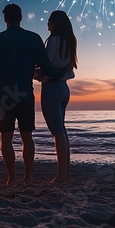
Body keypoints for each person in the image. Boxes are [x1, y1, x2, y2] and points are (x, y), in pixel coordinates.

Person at [0, 4, 66, 185]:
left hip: (5, 94)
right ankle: (27, 178)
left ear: (5, 19)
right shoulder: (34, 38)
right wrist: (62, 73)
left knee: (6, 137)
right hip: (25, 93)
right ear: (21, 18)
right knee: (27, 136)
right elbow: (48, 68)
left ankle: (11, 178)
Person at [37, 10, 77, 183]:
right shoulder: (69, 41)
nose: (47, 24)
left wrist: (37, 74)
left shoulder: (53, 41)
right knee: (62, 130)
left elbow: (47, 65)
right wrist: (58, 75)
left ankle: (61, 175)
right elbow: (69, 70)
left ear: (55, 23)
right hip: (63, 88)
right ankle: (66, 174)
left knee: (57, 132)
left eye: (49, 21)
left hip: (51, 89)